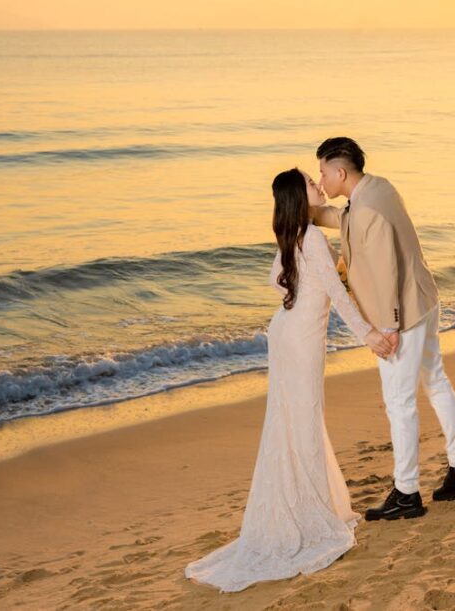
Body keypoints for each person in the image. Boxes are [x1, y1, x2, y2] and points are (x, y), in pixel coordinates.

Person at [184, 168, 394, 592]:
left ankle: (309, 503)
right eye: (310, 183)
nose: (317, 185)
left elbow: (276, 281)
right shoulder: (312, 238)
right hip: (300, 342)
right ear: (301, 196)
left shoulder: (294, 234)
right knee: (302, 420)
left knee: (293, 421)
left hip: (284, 333)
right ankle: (307, 514)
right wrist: (370, 335)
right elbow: (336, 296)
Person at [313, 136, 455, 521]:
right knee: (435, 381)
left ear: (340, 172)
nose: (321, 180)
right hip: (422, 301)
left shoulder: (367, 207)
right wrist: (312, 213)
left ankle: (407, 492)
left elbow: (386, 267)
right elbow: (351, 223)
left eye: (323, 172)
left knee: (399, 403)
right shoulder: (377, 189)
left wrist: (387, 327)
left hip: (401, 315)